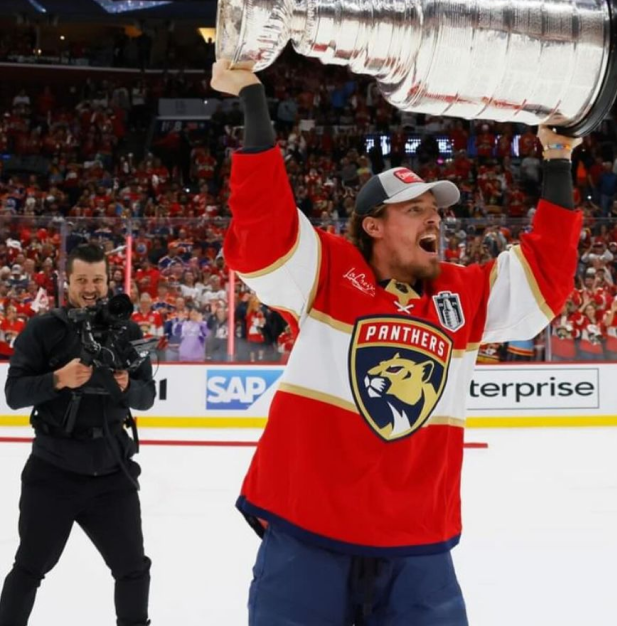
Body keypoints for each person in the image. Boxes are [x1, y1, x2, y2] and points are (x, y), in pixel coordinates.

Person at [211, 59, 583, 625]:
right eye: (415, 211)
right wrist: (254, 103)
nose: (434, 221)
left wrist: (558, 160)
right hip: (310, 531)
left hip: (417, 544)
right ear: (373, 226)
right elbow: (264, 236)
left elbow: (544, 280)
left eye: (436, 212)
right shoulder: (329, 270)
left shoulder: (464, 292)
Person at [0, 243, 155, 626]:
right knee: (29, 568)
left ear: (108, 281)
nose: (91, 287)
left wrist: (126, 386)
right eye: (82, 279)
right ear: (67, 281)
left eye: (98, 279)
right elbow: (14, 393)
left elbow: (147, 396)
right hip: (53, 473)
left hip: (112, 473)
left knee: (133, 569)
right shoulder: (43, 329)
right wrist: (58, 379)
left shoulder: (129, 330)